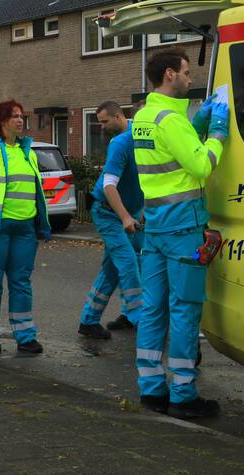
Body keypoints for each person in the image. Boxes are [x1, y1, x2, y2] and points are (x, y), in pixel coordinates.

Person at [133, 49, 228, 419]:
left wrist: (196, 124)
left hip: (155, 228)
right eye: (187, 73)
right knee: (185, 310)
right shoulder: (170, 120)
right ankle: (184, 395)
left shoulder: (143, 116)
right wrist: (217, 133)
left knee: (153, 309)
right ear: (170, 75)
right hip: (183, 229)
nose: (191, 79)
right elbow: (201, 165)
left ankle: (152, 389)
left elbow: (166, 163)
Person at [0, 100, 51, 354]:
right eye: (15, 116)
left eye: (22, 116)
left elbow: (35, 191)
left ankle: (25, 336)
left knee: (21, 282)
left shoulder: (29, 152)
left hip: (24, 228)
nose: (20, 121)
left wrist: (41, 223)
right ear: (2, 121)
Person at [77, 101, 145, 340]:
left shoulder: (142, 134)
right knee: (128, 262)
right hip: (107, 212)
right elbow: (109, 186)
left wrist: (139, 211)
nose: (101, 127)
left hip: (129, 212)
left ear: (120, 117)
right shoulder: (120, 143)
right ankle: (142, 321)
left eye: (105, 122)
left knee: (112, 270)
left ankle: (89, 320)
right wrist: (126, 216)